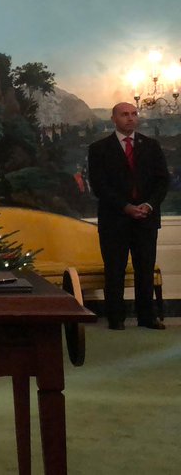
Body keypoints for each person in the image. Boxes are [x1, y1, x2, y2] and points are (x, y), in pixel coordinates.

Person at [87, 102, 168, 330]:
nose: (130, 118)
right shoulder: (99, 148)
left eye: (134, 114)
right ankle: (116, 318)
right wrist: (125, 207)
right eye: (124, 114)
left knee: (145, 269)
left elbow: (162, 181)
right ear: (113, 118)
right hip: (114, 220)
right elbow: (99, 185)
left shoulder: (151, 146)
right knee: (115, 270)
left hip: (146, 219)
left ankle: (146, 317)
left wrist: (149, 205)